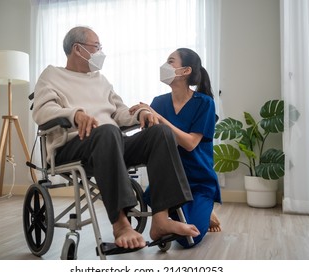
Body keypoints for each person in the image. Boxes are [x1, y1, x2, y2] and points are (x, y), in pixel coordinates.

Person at [32, 26, 200, 250]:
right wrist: (75, 114)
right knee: (108, 131)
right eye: (96, 46)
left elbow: (119, 112)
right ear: (77, 49)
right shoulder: (52, 75)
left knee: (161, 132)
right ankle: (121, 224)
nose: (101, 51)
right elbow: (41, 112)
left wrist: (141, 113)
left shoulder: (100, 80)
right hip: (73, 144)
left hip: (110, 142)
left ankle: (161, 220)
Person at [130, 48, 222, 247]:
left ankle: (204, 211)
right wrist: (141, 112)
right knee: (183, 231)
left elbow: (189, 144)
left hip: (198, 181)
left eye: (171, 61)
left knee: (190, 239)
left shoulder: (204, 103)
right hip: (167, 181)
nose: (165, 65)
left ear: (185, 70)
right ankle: (172, 218)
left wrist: (159, 118)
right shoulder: (158, 102)